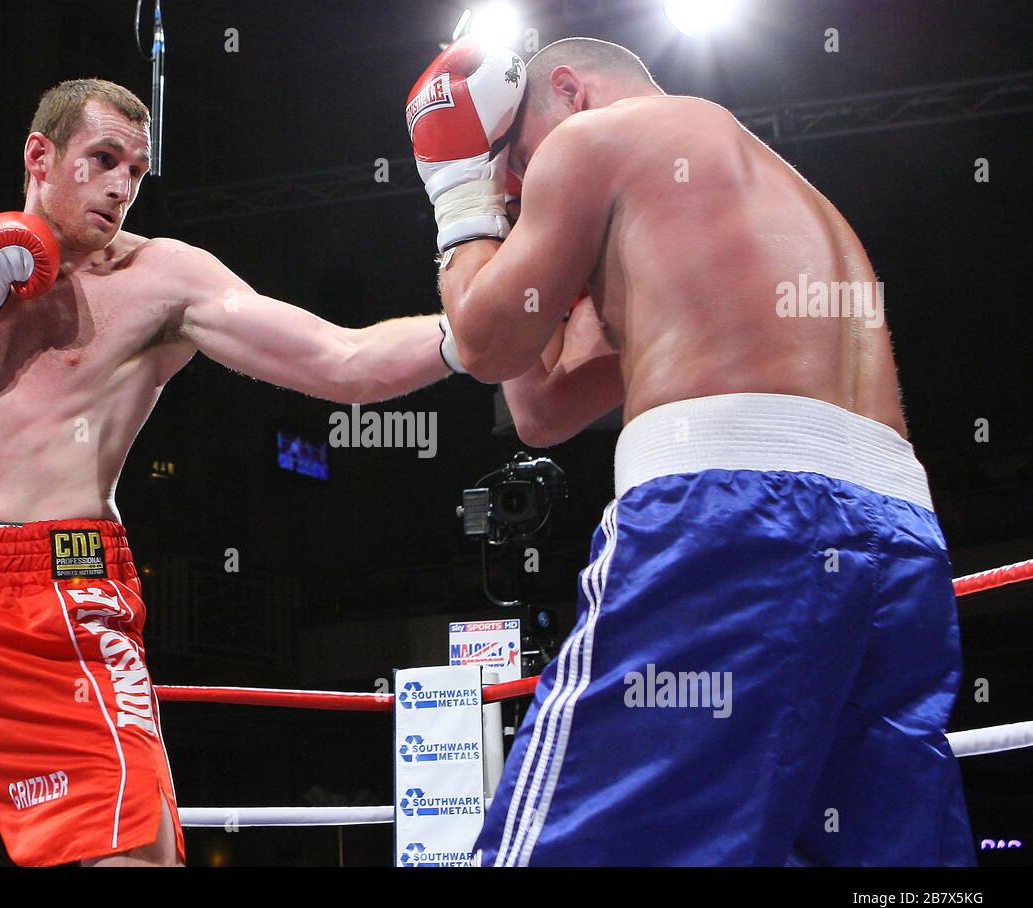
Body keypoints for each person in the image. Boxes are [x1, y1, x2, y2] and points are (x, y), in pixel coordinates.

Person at [0, 78, 453, 868]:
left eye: (136, 172)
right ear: (40, 157)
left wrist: (469, 333)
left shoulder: (162, 281)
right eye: (103, 159)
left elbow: (342, 362)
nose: (121, 187)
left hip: (58, 615)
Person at [407, 37, 974, 865]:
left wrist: (458, 192)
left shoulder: (595, 138)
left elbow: (487, 341)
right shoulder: (759, 196)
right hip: (895, 536)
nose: (523, 188)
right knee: (882, 861)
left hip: (732, 516)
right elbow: (542, 407)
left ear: (567, 89)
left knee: (570, 847)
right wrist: (514, 229)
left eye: (519, 157)